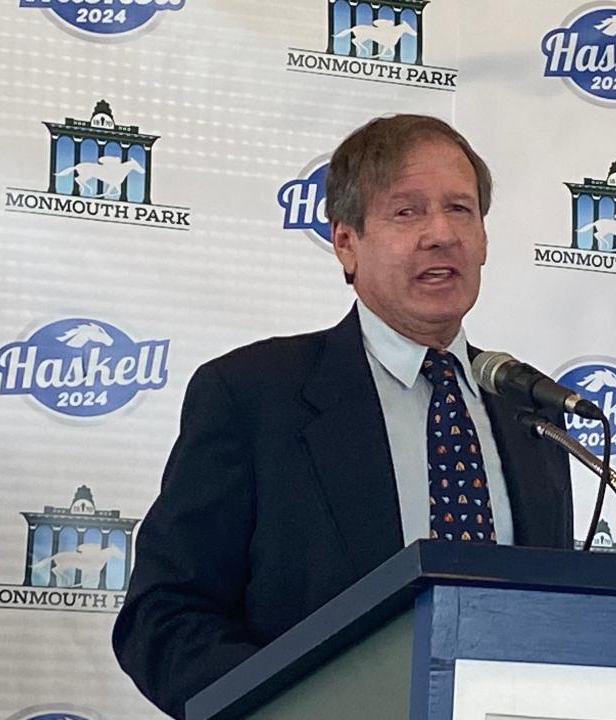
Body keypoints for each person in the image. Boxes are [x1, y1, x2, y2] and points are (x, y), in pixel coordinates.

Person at [112, 114, 573, 719]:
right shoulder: (253, 396)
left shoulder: (528, 409)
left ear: (484, 239)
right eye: (406, 212)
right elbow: (165, 618)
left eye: (460, 210)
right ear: (346, 243)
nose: (440, 234)